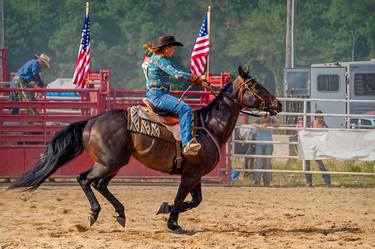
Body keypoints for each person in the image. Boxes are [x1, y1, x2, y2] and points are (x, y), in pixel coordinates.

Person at [142, 35, 205, 156]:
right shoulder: (161, 60)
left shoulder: (154, 58)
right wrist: (195, 78)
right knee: (185, 109)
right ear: (166, 48)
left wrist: (194, 79)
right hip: (159, 96)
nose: (174, 50)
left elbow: (178, 70)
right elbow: (176, 74)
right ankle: (187, 143)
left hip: (154, 93)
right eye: (173, 48)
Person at [305, 110, 331, 187]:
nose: (320, 118)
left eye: (321, 117)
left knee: (320, 164)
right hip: (310, 146)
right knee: (307, 164)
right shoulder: (310, 124)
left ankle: (327, 181)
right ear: (315, 117)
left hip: (319, 147)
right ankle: (308, 182)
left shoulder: (324, 125)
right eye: (318, 116)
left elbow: (327, 134)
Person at [253, 113, 278, 186]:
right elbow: (253, 124)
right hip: (259, 143)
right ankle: (257, 181)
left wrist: (270, 125)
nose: (265, 117)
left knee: (267, 162)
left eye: (266, 116)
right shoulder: (259, 118)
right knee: (258, 162)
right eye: (264, 116)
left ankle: (267, 181)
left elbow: (277, 124)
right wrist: (260, 126)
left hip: (268, 143)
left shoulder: (271, 119)